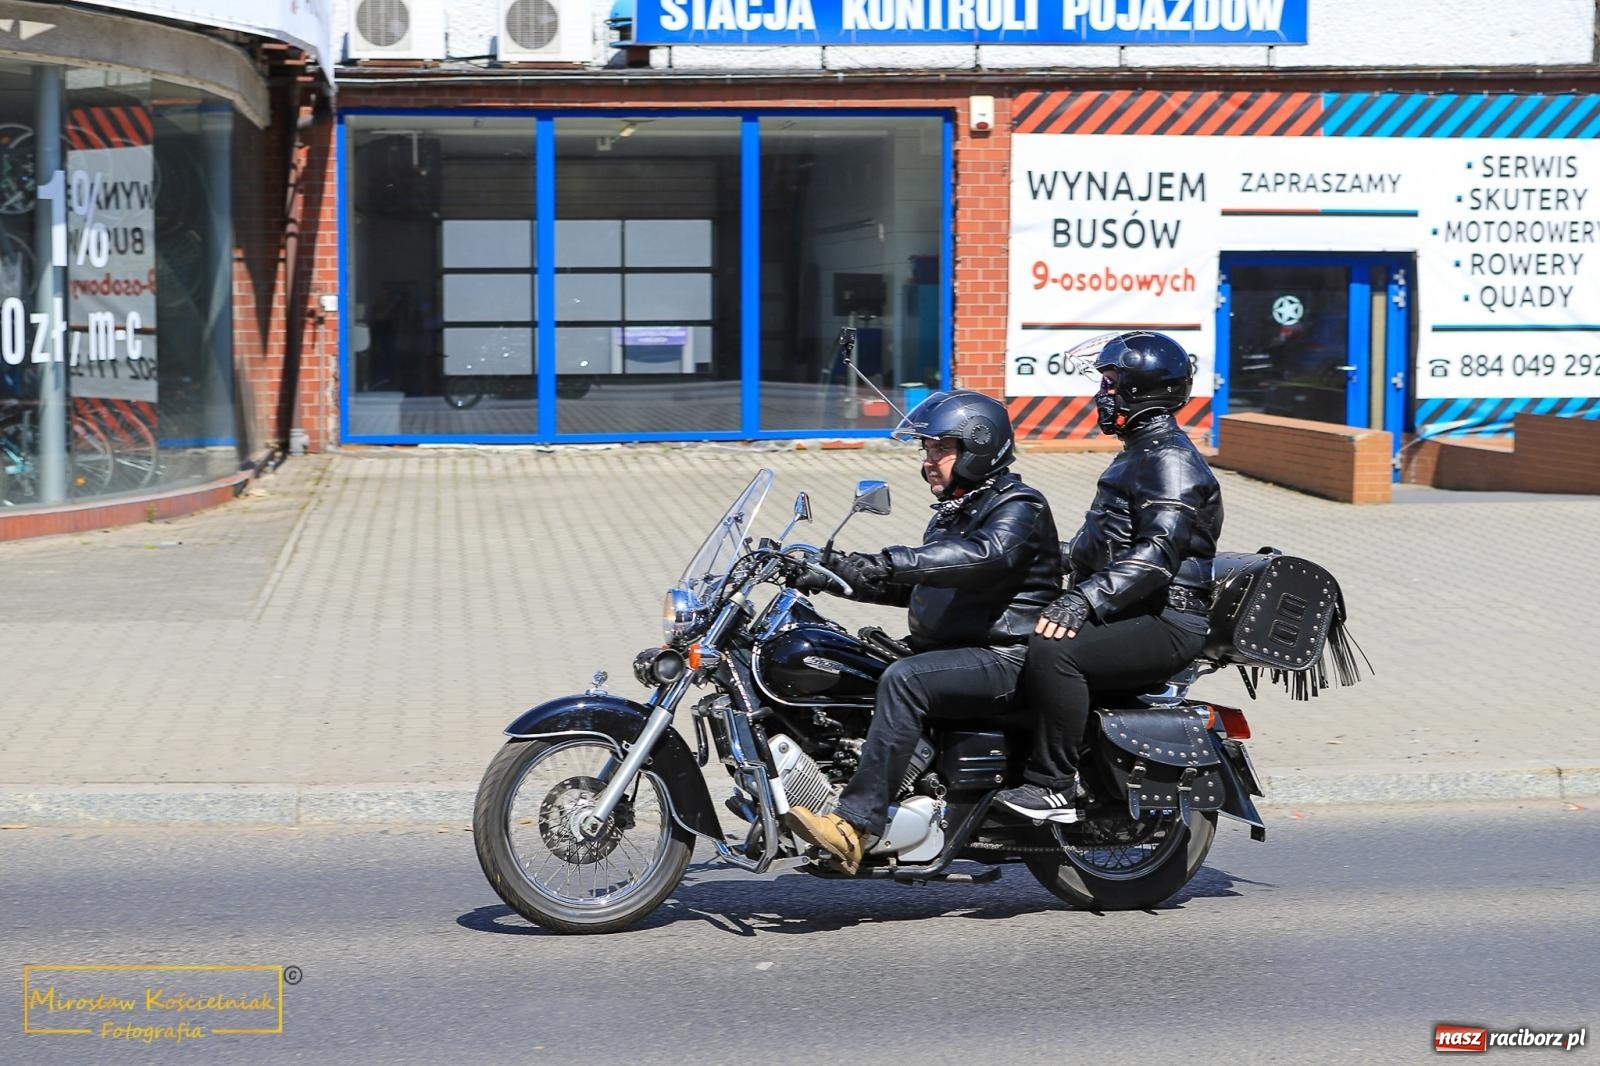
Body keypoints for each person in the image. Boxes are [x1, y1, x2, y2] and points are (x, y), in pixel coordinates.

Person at [786, 390, 1062, 873]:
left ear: (980, 447)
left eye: (940, 449)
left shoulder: (1020, 507)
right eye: (927, 450)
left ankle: (854, 826)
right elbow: (922, 587)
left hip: (1006, 655)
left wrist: (889, 560)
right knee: (857, 662)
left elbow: (980, 557)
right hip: (965, 647)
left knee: (906, 679)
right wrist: (832, 572)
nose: (929, 462)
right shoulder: (962, 507)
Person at [994, 330, 1223, 822]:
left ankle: (1053, 784)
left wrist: (1082, 601)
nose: (1102, 394)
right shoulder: (1140, 453)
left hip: (1167, 619)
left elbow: (1157, 554)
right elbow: (1095, 549)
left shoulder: (1171, 461)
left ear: (1145, 390)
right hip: (1133, 606)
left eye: (1112, 382)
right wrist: (1012, 559)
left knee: (1055, 648)